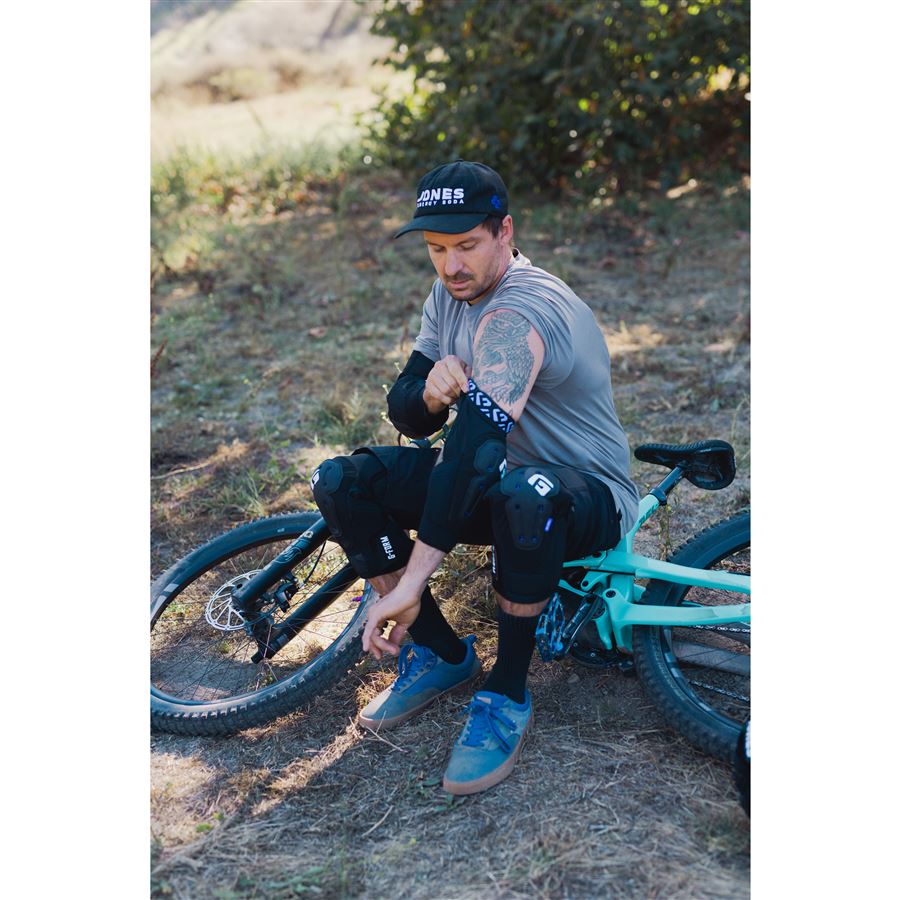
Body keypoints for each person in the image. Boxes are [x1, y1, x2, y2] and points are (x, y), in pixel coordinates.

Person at [310, 160, 639, 795]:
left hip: (583, 492)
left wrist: (413, 578)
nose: (451, 265)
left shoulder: (524, 311)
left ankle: (506, 692)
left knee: (523, 495)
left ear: (504, 232)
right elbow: (405, 409)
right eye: (437, 249)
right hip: (499, 479)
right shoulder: (448, 295)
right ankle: (439, 653)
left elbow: (473, 453)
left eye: (466, 245)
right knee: (342, 480)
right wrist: (431, 395)